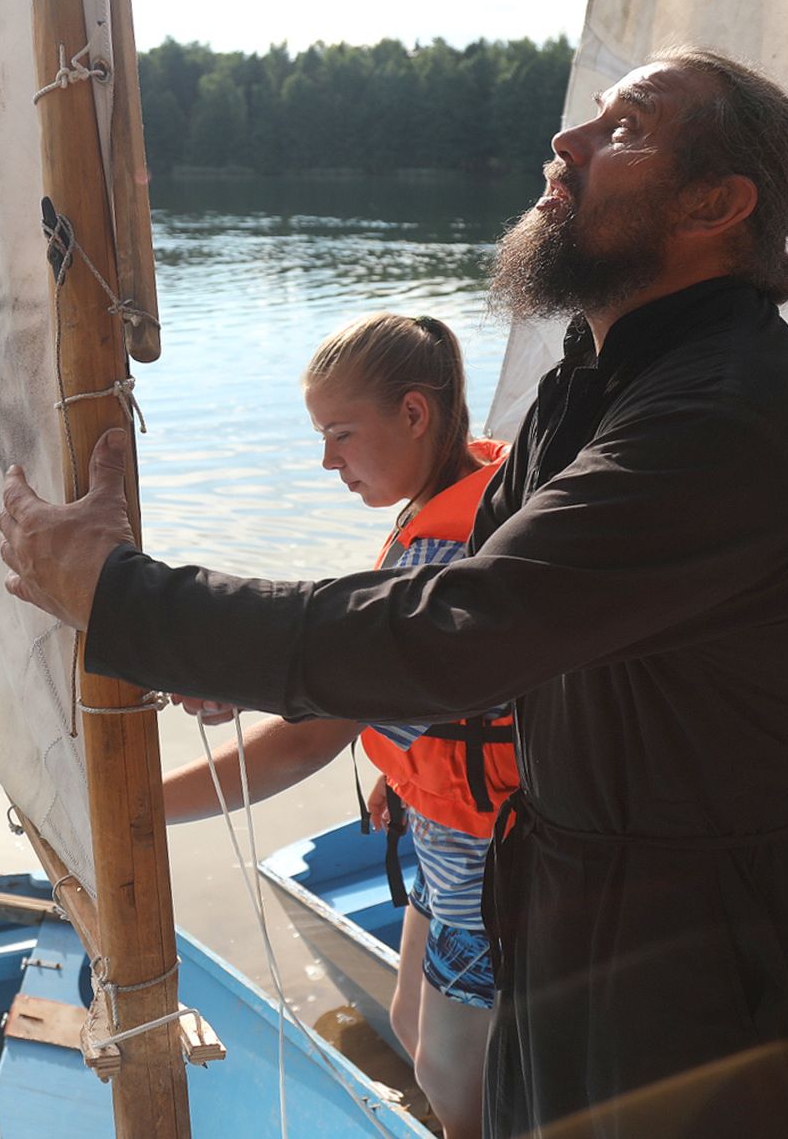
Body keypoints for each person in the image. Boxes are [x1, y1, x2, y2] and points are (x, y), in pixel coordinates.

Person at [0, 48, 788, 1138]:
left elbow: (456, 632)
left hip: (713, 959)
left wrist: (127, 601)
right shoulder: (590, 383)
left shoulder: (728, 415)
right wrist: (215, 657)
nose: (564, 145)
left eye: (623, 131)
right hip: (572, 910)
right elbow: (452, 607)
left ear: (716, 204)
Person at [161, 312, 513, 1139]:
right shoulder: (459, 496)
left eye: (341, 435)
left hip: (486, 856)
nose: (328, 461)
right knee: (413, 1023)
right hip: (441, 826)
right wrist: (402, 768)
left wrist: (142, 807)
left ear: (416, 413)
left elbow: (311, 736)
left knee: (454, 1076)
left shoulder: (442, 556)